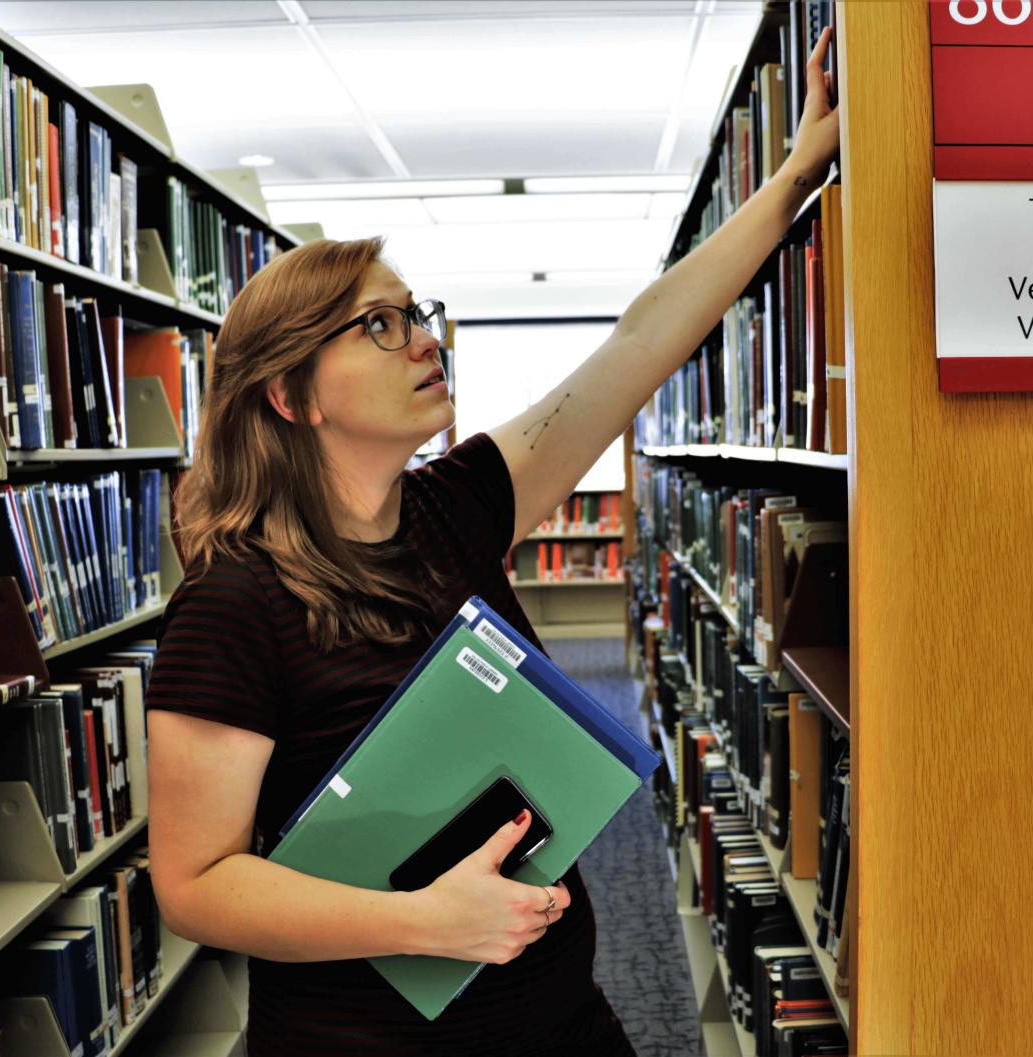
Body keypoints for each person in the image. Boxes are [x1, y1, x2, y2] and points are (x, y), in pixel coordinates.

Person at [145, 26, 840, 1057]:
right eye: (377, 326)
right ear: (290, 394)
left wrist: (794, 174)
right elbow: (195, 885)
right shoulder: (232, 607)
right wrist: (419, 920)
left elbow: (639, 345)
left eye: (415, 313)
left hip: (557, 1014)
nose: (425, 338)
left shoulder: (456, 507)